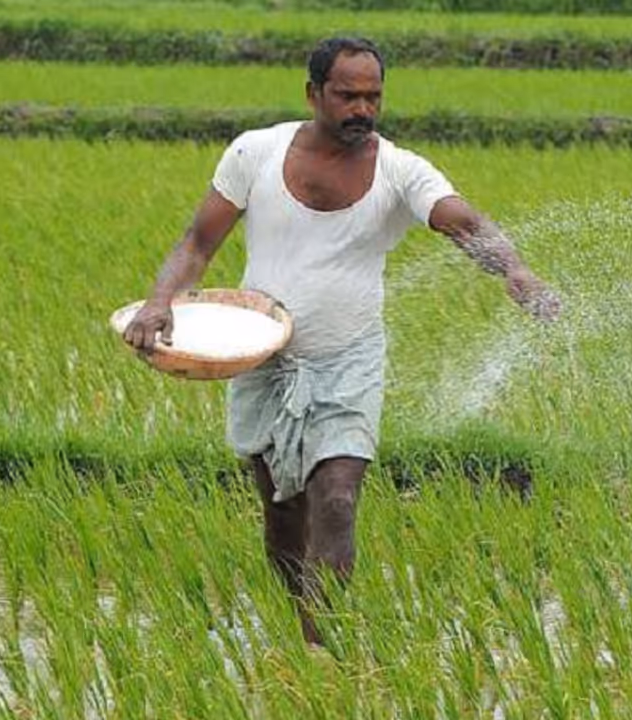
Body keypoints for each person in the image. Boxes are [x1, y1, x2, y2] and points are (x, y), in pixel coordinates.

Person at [122, 37, 560, 645]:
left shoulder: (401, 171)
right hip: (263, 358)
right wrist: (160, 301)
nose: (362, 109)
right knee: (282, 515)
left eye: (373, 96)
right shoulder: (256, 153)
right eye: (348, 95)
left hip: (348, 357)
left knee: (336, 498)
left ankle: (322, 642)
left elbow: (464, 222)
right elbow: (198, 243)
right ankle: (302, 623)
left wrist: (514, 269)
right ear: (314, 94)